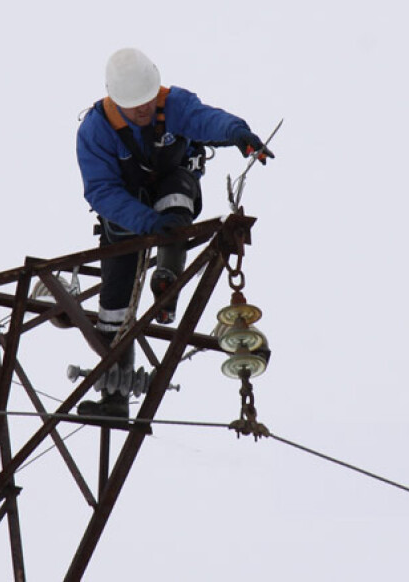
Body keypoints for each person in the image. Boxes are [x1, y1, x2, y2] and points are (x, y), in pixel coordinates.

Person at [75, 47, 274, 417]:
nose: (145, 110)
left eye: (148, 100)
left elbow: (205, 120)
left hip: (172, 199)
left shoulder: (172, 105)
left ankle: (168, 278)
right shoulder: (97, 130)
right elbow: (102, 191)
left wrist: (238, 134)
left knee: (178, 186)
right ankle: (115, 399)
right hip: (126, 214)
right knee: (114, 310)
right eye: (136, 106)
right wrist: (149, 223)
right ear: (116, 100)